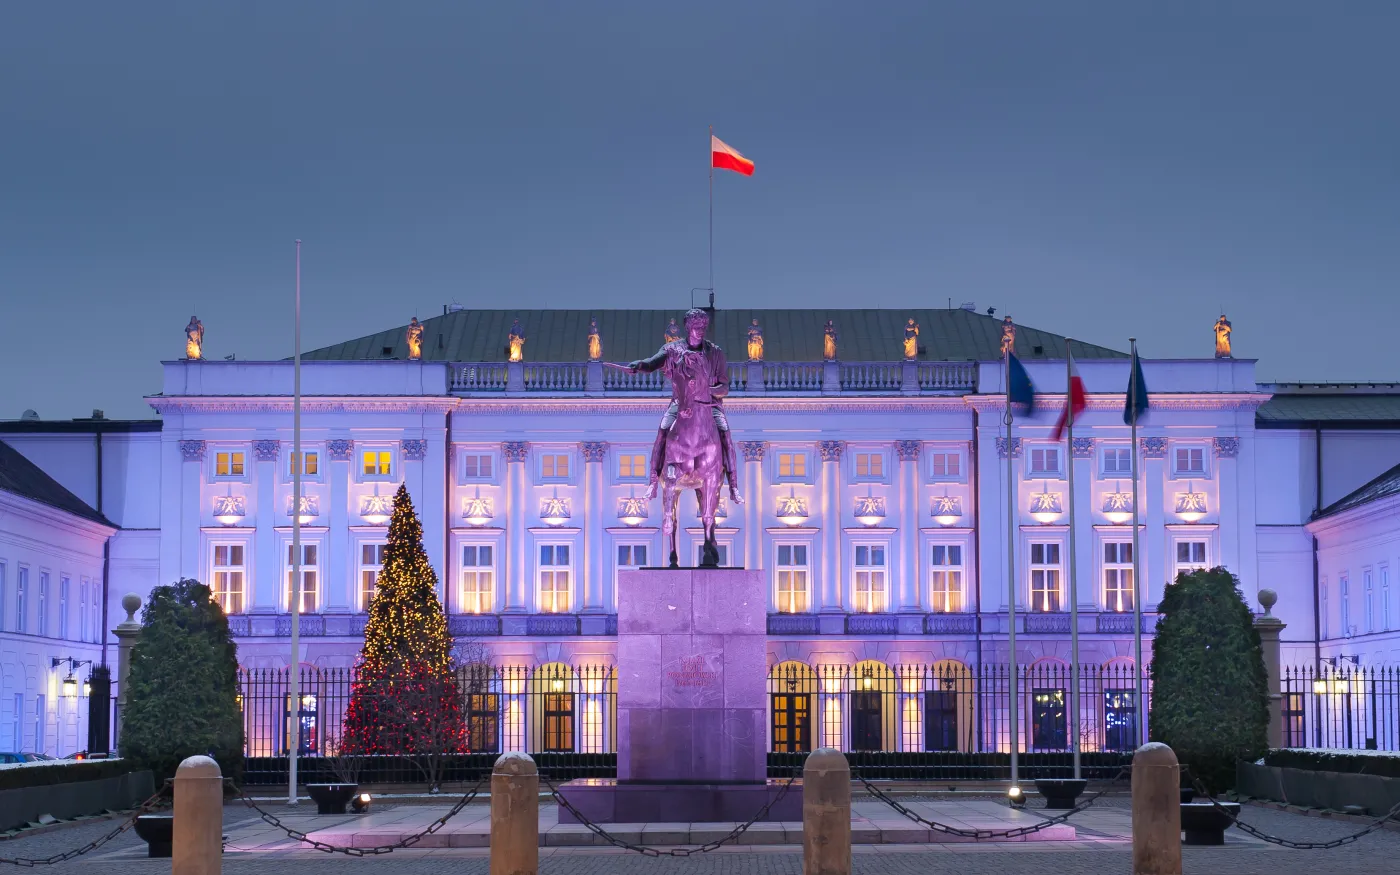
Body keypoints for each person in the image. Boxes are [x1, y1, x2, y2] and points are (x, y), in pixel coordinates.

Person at [627, 308, 742, 504]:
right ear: (688, 327)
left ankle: (733, 485)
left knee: (725, 433)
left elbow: (724, 388)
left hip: (709, 406)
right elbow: (652, 363)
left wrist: (705, 390)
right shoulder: (672, 350)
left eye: (703, 327)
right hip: (680, 404)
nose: (700, 330)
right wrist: (640, 365)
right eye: (697, 326)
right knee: (663, 430)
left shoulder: (715, 353)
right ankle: (654, 481)